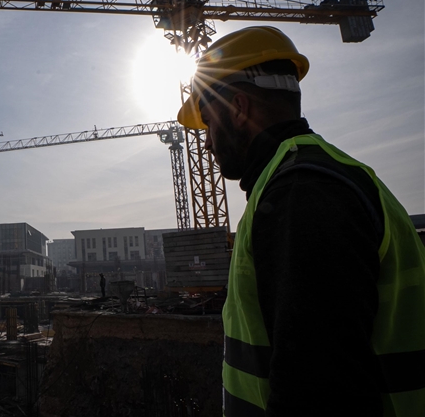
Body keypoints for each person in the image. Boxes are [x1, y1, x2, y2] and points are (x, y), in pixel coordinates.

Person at [176, 25, 425, 416]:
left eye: (208, 122)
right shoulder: (312, 176)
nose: (206, 142)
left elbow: (321, 390)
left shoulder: (301, 193)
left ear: (239, 109)